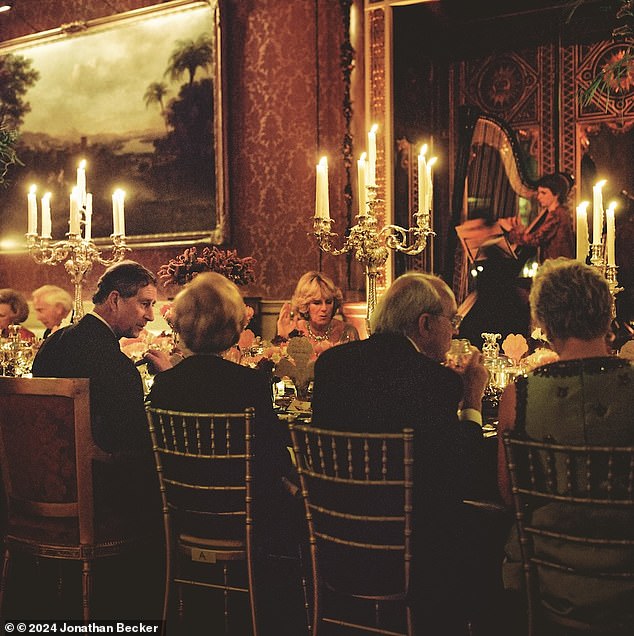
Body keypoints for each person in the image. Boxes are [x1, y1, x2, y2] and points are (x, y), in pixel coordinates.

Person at [311, 272, 491, 635]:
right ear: (425, 323)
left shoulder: (331, 366)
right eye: (451, 321)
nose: (454, 332)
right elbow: (462, 472)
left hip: (334, 543)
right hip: (410, 558)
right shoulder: (437, 382)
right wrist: (472, 400)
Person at [146, 272, 305, 634]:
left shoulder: (164, 386)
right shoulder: (251, 384)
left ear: (181, 327)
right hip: (246, 520)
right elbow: (272, 462)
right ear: (234, 329)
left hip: (184, 514)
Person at [496, 258, 634, 623]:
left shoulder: (518, 397)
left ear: (542, 321)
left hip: (547, 582)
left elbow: (511, 498)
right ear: (607, 316)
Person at [32, 260, 170, 453]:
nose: (150, 316)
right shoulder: (117, 367)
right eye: (145, 304)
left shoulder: (52, 342)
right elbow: (137, 444)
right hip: (101, 479)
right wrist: (166, 379)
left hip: (44, 470)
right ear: (114, 300)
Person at [277, 271, 359, 356]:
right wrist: (283, 337)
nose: (324, 308)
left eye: (328, 302)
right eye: (317, 303)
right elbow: (282, 366)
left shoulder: (348, 332)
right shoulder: (294, 330)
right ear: (305, 305)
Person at [507, 173, 575, 262]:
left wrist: (510, 230)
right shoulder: (555, 212)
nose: (539, 197)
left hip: (558, 266)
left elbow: (536, 239)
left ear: (556, 194)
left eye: (544, 193)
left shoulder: (557, 214)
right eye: (538, 193)